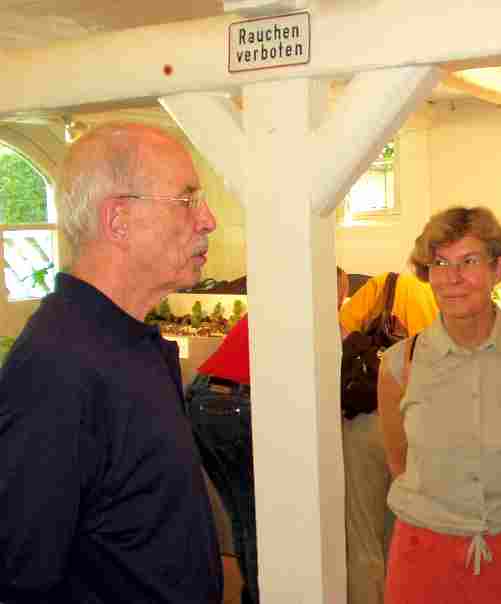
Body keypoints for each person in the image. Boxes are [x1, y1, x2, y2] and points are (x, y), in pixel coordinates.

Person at [0, 123, 222, 603]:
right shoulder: (55, 370)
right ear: (118, 220)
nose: (208, 220)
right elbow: (21, 579)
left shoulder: (131, 344)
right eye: (187, 201)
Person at [378, 206, 501, 603]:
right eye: (440, 263)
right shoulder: (400, 364)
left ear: (498, 269)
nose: (452, 278)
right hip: (420, 556)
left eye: (469, 261)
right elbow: (399, 462)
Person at [185, 266, 350, 604]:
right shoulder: (315, 319)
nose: (341, 300)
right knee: (257, 519)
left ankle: (252, 593)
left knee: (242, 513)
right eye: (340, 292)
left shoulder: (273, 310)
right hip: (236, 405)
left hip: (202, 400)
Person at [339, 271, 439, 604]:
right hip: (416, 425)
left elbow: (339, 332)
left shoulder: (386, 283)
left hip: (368, 419)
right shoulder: (449, 298)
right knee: (400, 534)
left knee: (363, 534)